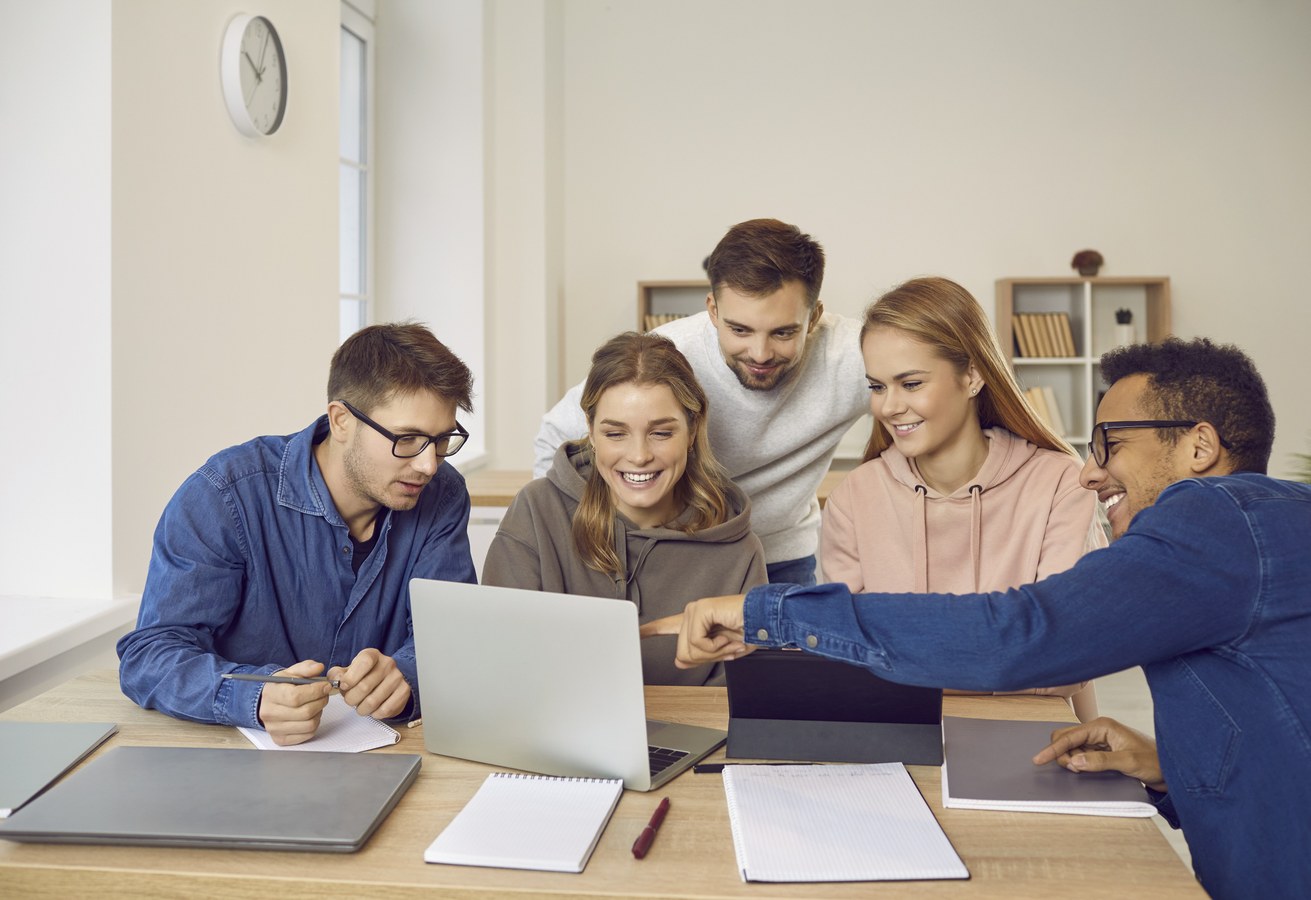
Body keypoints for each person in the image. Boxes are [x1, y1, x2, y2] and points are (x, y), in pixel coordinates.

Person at [666, 337, 1310, 899]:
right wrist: (1174, 767)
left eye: (1111, 444)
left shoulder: (1213, 517)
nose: (1090, 473)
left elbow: (1020, 635)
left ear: (1200, 445)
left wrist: (771, 612)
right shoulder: (1260, 533)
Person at [118, 323, 478, 745]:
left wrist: (406, 676)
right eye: (407, 439)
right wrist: (251, 697)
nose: (428, 466)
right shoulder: (225, 495)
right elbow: (151, 655)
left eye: (440, 440)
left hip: (389, 760)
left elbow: (453, 639)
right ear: (341, 420)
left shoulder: (443, 495)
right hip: (235, 767)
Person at [822, 277, 1104, 720]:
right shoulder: (855, 498)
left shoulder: (1060, 484)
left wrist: (910, 657)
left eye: (911, 383)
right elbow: (849, 655)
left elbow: (1065, 655)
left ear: (972, 375)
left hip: (1030, 734)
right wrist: (1002, 650)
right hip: (898, 733)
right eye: (877, 387)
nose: (889, 407)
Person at [533, 218, 868, 586]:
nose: (760, 353)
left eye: (783, 332)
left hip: (782, 558)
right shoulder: (672, 353)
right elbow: (557, 433)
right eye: (739, 330)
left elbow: (934, 381)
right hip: (683, 556)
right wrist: (577, 544)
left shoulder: (854, 354)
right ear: (712, 310)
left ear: (814, 316)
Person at [485, 332, 766, 685]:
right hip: (552, 735)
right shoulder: (536, 512)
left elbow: (739, 700)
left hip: (693, 737)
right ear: (590, 430)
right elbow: (500, 666)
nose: (638, 456)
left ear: (693, 429)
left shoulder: (739, 551)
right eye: (615, 434)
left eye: (661, 433)